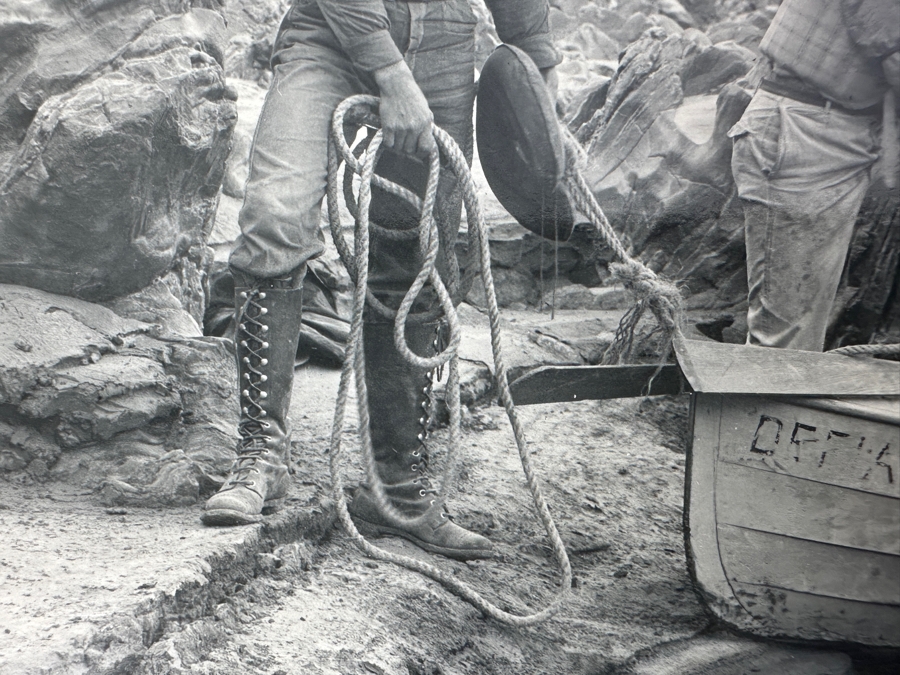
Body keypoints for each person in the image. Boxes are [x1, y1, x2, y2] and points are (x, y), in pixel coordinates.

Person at [200, 0, 560, 561]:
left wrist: (541, 82)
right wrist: (392, 76)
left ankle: (394, 493)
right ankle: (261, 457)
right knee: (275, 216)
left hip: (442, 44)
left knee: (419, 249)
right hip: (329, 36)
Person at [728, 0, 900, 352]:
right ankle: (756, 406)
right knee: (783, 340)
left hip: (824, 133)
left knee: (796, 333)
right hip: (804, 137)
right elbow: (892, 50)